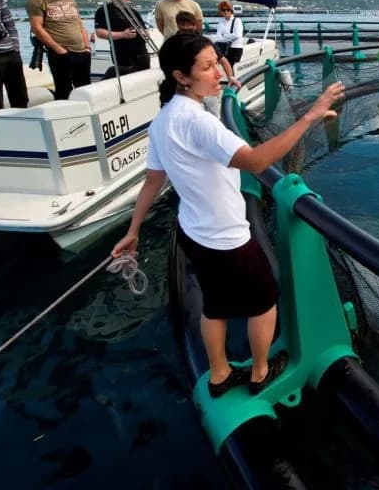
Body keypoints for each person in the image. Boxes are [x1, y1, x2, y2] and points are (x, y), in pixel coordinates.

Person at [111, 32, 345, 396]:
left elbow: (153, 180)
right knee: (265, 301)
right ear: (181, 77)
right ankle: (261, 373)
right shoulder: (198, 122)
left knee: (215, 306)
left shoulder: (163, 119)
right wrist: (310, 117)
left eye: (217, 63)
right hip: (227, 238)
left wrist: (134, 229)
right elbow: (255, 161)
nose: (218, 73)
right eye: (206, 67)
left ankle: (219, 375)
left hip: (194, 232)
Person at [27, 0, 91, 100]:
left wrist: (87, 47)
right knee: (64, 90)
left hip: (82, 52)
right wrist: (58, 49)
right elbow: (37, 28)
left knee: (85, 89)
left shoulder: (70, 0)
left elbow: (79, 24)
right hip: (61, 53)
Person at [94, 0, 150, 76]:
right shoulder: (103, 11)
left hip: (141, 54)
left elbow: (145, 30)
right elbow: (99, 32)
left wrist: (144, 33)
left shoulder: (133, 11)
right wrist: (122, 34)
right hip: (122, 55)